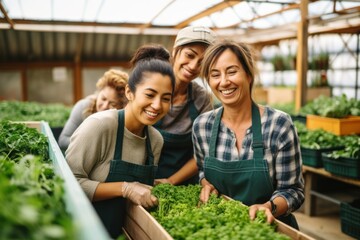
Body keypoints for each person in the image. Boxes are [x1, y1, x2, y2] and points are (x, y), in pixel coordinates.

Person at [65, 44, 175, 239]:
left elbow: (138, 194)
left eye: (166, 98)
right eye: (149, 95)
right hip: (81, 231)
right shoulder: (100, 126)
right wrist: (125, 188)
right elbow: (68, 183)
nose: (157, 105)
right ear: (129, 92)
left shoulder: (155, 140)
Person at [192, 39, 304, 229]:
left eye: (232, 71)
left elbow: (293, 190)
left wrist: (269, 207)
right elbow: (203, 171)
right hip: (221, 228)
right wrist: (205, 183)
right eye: (215, 74)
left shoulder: (279, 125)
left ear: (249, 75)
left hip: (268, 228)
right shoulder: (202, 126)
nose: (224, 81)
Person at [154, 26, 217, 186]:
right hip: (141, 182)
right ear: (175, 51)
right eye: (190, 55)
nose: (194, 66)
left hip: (183, 184)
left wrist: (170, 182)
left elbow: (203, 153)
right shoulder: (150, 86)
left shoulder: (201, 98)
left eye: (202, 62)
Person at [58, 69, 129, 150]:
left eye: (112, 104)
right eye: (103, 98)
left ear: (122, 106)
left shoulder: (124, 119)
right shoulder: (83, 107)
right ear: (99, 92)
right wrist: (91, 143)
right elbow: (63, 141)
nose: (105, 106)